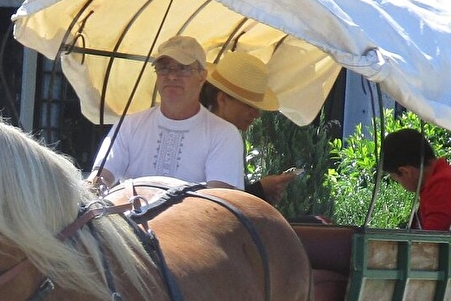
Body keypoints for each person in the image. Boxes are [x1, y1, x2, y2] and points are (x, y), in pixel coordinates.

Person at [88, 35, 245, 190]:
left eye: (183, 68)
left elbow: (217, 198)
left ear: (202, 76)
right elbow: (99, 179)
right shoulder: (129, 125)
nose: (171, 76)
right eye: (163, 68)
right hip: (129, 207)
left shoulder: (223, 134)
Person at [202, 51, 300, 205]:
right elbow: (220, 204)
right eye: (248, 106)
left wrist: (260, 190)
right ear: (222, 99)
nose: (256, 114)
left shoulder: (205, 129)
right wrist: (260, 189)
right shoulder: (225, 135)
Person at [378, 128, 451, 232]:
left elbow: (431, 238)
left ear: (405, 172)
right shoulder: (439, 180)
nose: (400, 185)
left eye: (397, 180)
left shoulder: (443, 183)